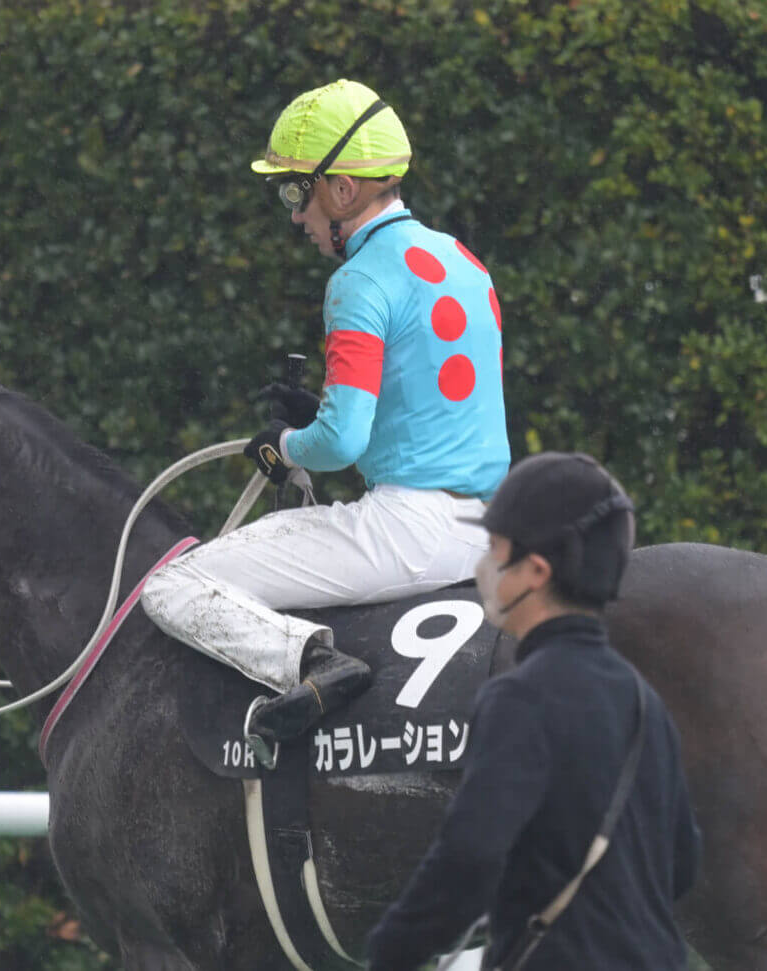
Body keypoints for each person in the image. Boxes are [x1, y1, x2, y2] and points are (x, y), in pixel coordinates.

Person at [141, 78, 509, 764]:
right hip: (488, 530)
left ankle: (311, 662)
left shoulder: (360, 279)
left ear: (342, 191)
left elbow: (339, 444)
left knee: (172, 584)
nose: (295, 216)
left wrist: (284, 445)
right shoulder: (464, 261)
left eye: (296, 192)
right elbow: (428, 409)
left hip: (408, 530)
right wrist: (323, 420)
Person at [365, 452, 701, 971]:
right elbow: (682, 863)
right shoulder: (644, 700)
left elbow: (470, 856)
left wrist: (391, 951)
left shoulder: (520, 697)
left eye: (495, 550)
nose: (484, 566)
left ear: (536, 571)